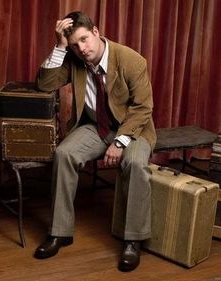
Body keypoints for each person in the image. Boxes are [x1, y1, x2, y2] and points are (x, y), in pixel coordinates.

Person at [34, 11, 156, 272]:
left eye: (85, 39)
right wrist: (59, 46)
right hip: (95, 127)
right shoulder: (74, 57)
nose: (82, 48)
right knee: (64, 154)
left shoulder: (131, 60)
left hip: (133, 128)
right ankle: (60, 231)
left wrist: (121, 142)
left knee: (134, 164)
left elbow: (143, 108)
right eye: (75, 44)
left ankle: (132, 240)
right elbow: (45, 85)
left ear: (97, 32)